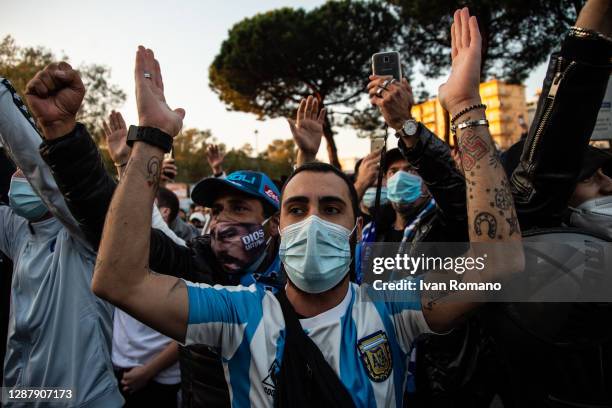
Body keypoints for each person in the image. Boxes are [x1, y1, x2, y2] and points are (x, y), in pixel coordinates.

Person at [92, 10, 523, 406]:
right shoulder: (237, 313)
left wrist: (465, 104)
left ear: (355, 229)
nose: (314, 220)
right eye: (297, 208)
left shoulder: (393, 308)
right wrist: (150, 136)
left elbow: (499, 263)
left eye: (332, 207)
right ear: (276, 228)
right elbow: (119, 281)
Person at [37, 68, 284, 407]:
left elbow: (384, 292)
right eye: (217, 209)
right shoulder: (198, 262)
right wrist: (63, 139)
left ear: (274, 225)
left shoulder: (312, 276)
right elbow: (116, 225)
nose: (223, 220)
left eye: (239, 209)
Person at [0, 73, 123, 406]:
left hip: (84, 399)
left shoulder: (83, 235)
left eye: (26, 170)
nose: (18, 175)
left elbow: (35, 158)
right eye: (16, 169)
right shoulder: (17, 230)